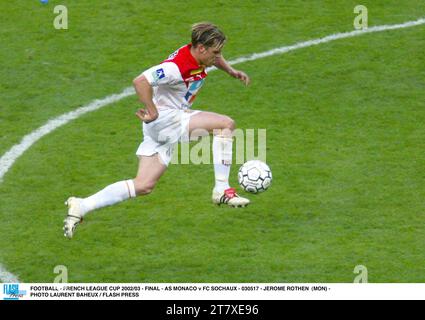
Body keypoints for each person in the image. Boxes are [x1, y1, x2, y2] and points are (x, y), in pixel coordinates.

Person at [63, 22, 251, 239]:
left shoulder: (198, 53)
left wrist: (231, 71)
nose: (217, 57)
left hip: (162, 124)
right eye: (215, 52)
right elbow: (140, 81)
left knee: (143, 185)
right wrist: (152, 110)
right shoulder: (176, 68)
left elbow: (215, 59)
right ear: (201, 48)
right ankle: (222, 190)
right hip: (166, 120)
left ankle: (81, 205)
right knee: (225, 125)